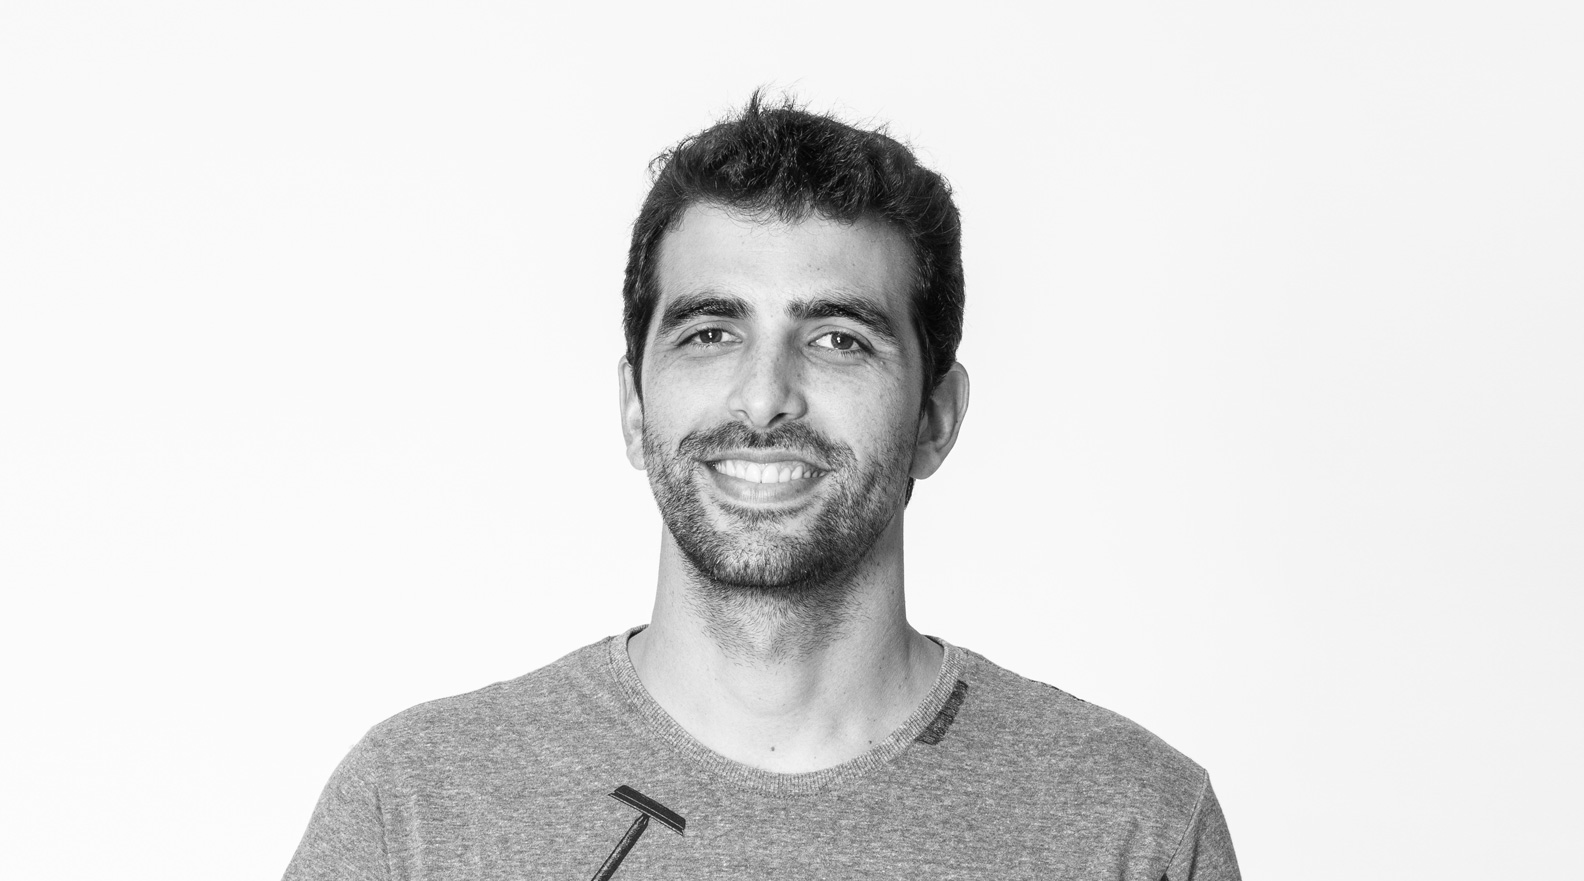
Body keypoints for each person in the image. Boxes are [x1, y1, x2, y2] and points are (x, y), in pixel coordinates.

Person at [284, 95, 1241, 880]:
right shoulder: (413, 811)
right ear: (634, 406)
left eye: (839, 338)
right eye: (711, 332)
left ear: (936, 418)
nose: (764, 395)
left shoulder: (1134, 827)